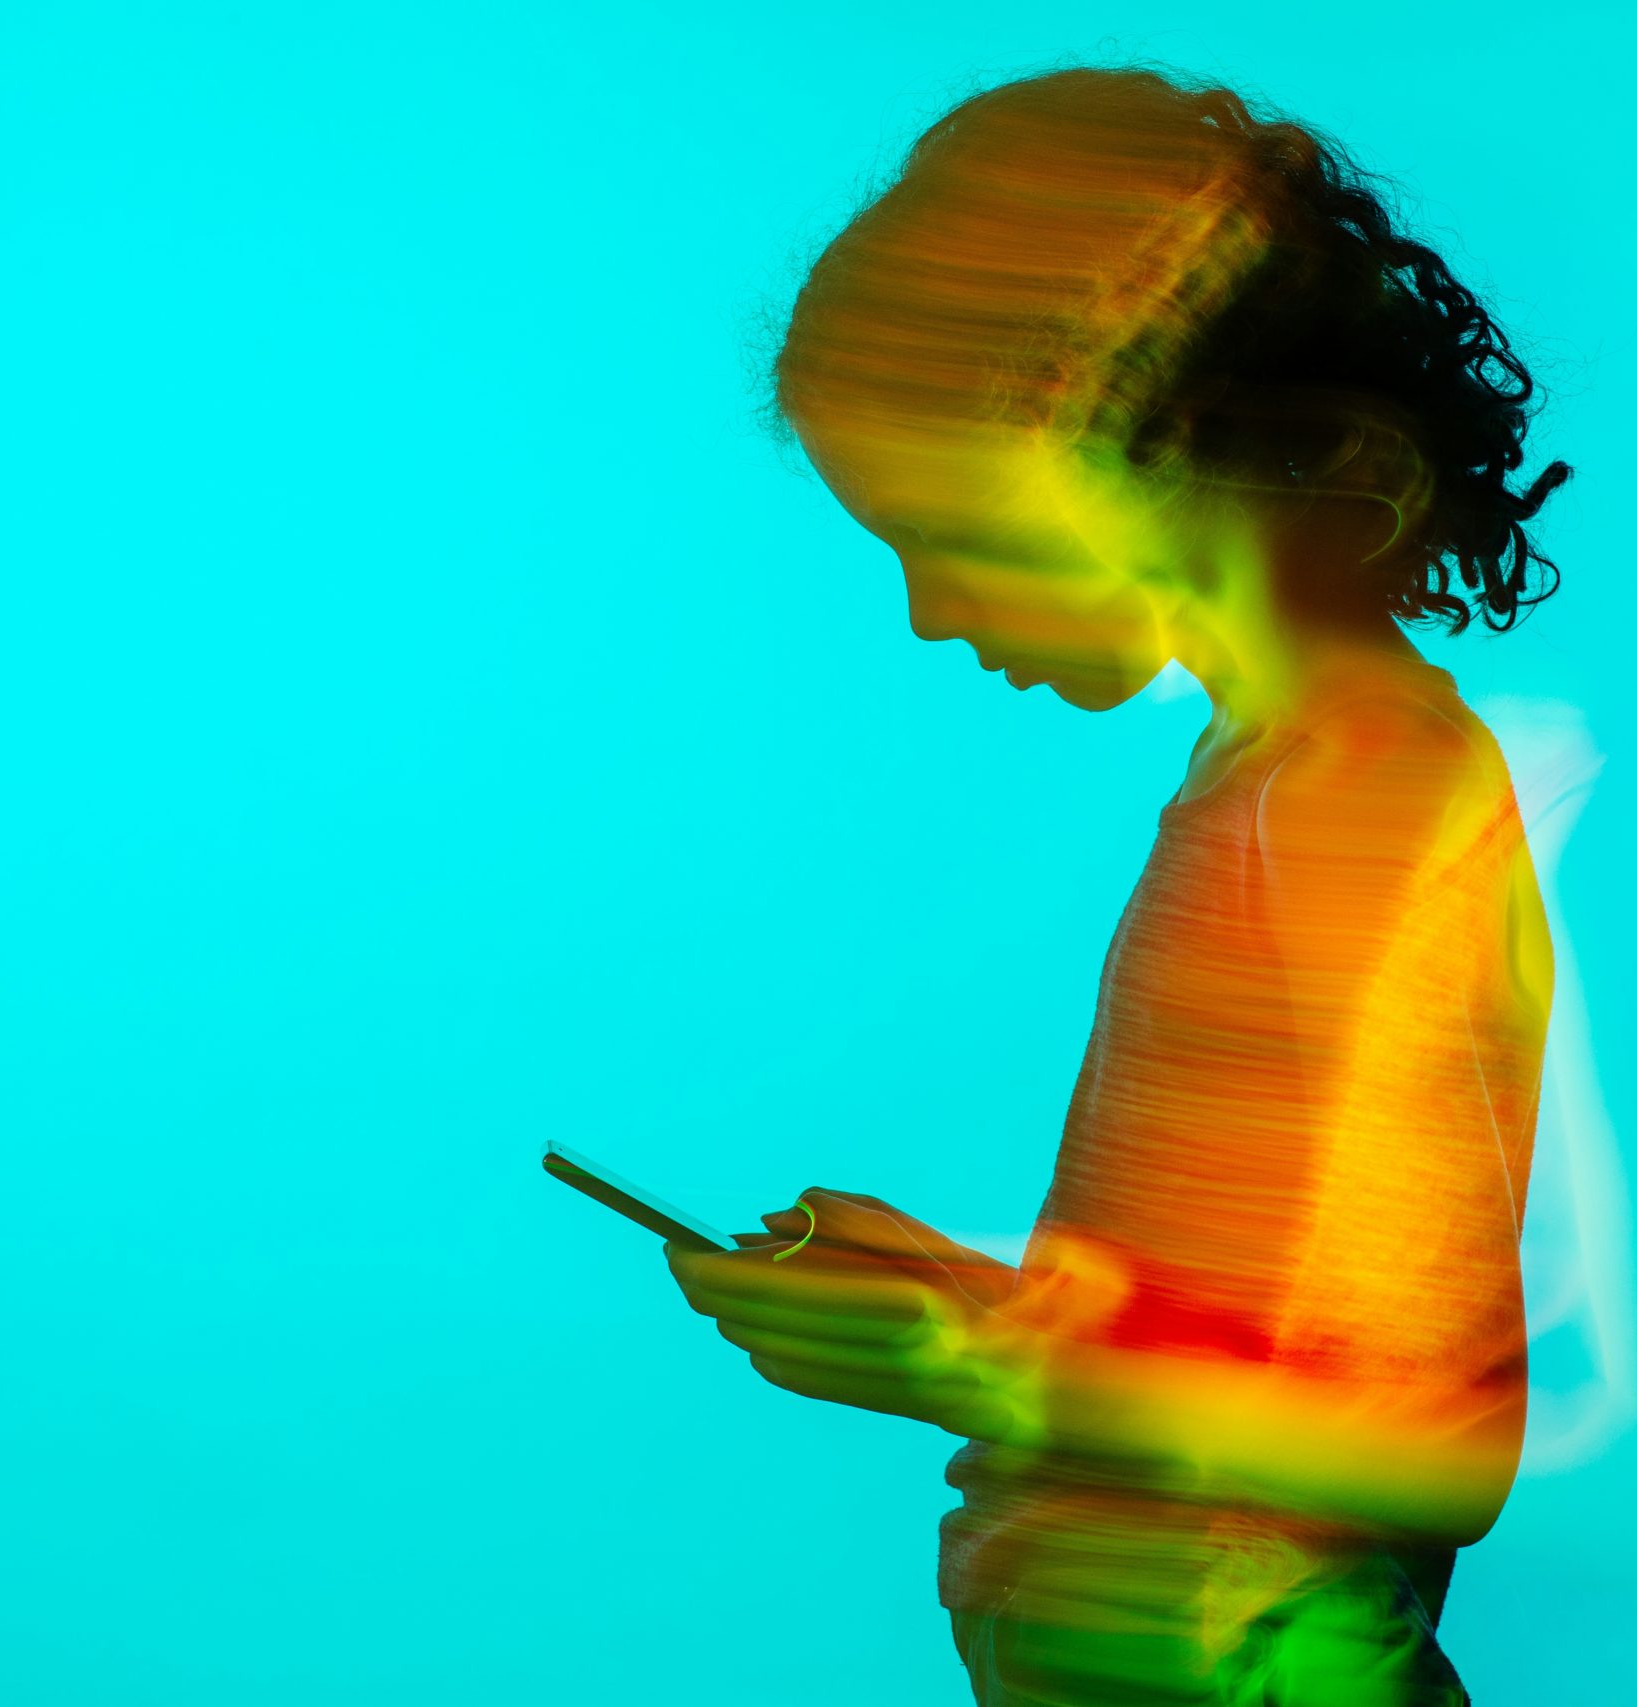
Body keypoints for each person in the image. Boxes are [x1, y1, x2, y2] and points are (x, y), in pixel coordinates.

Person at [664, 64, 1572, 1705]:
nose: (936, 611)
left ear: (1265, 462)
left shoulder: (1372, 807)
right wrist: (973, 1300)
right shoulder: (1276, 786)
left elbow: (1424, 1445)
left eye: (966, 534)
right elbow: (1252, 1344)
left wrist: (971, 1360)